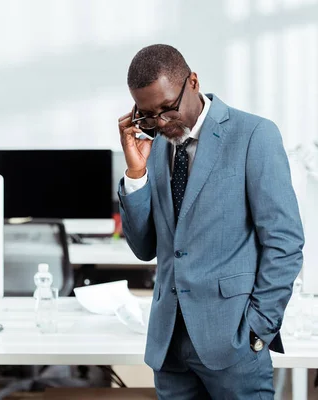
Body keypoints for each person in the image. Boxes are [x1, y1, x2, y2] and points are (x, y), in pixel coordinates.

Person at [117, 44, 304, 398]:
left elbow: (285, 243)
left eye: (167, 109)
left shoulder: (253, 136)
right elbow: (144, 248)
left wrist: (257, 329)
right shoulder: (153, 146)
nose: (159, 123)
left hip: (233, 342)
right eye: (146, 115)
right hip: (169, 345)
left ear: (193, 82)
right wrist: (136, 173)